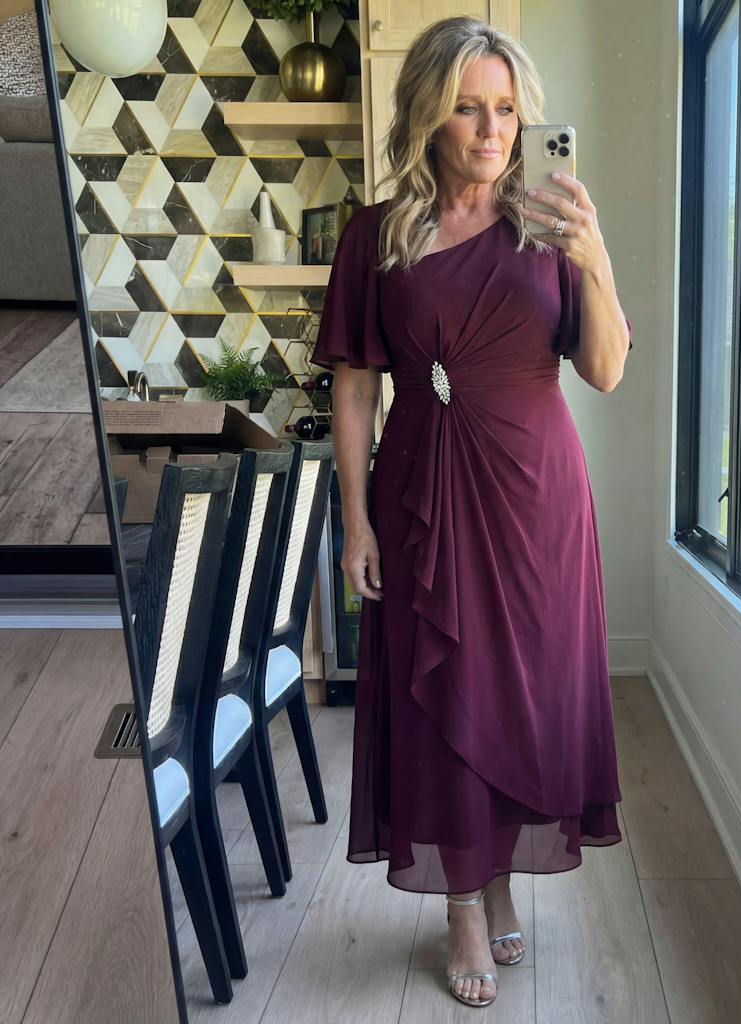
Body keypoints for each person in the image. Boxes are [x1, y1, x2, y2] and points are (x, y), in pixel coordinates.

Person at [311, 14, 634, 1010]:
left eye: (506, 109)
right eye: (467, 108)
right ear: (427, 113)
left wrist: (595, 259)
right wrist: (355, 521)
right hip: (421, 494)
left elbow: (605, 370)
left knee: (520, 694)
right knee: (438, 695)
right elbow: (355, 385)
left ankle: (496, 876)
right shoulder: (375, 234)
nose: (493, 130)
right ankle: (462, 901)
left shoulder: (550, 224)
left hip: (539, 499)